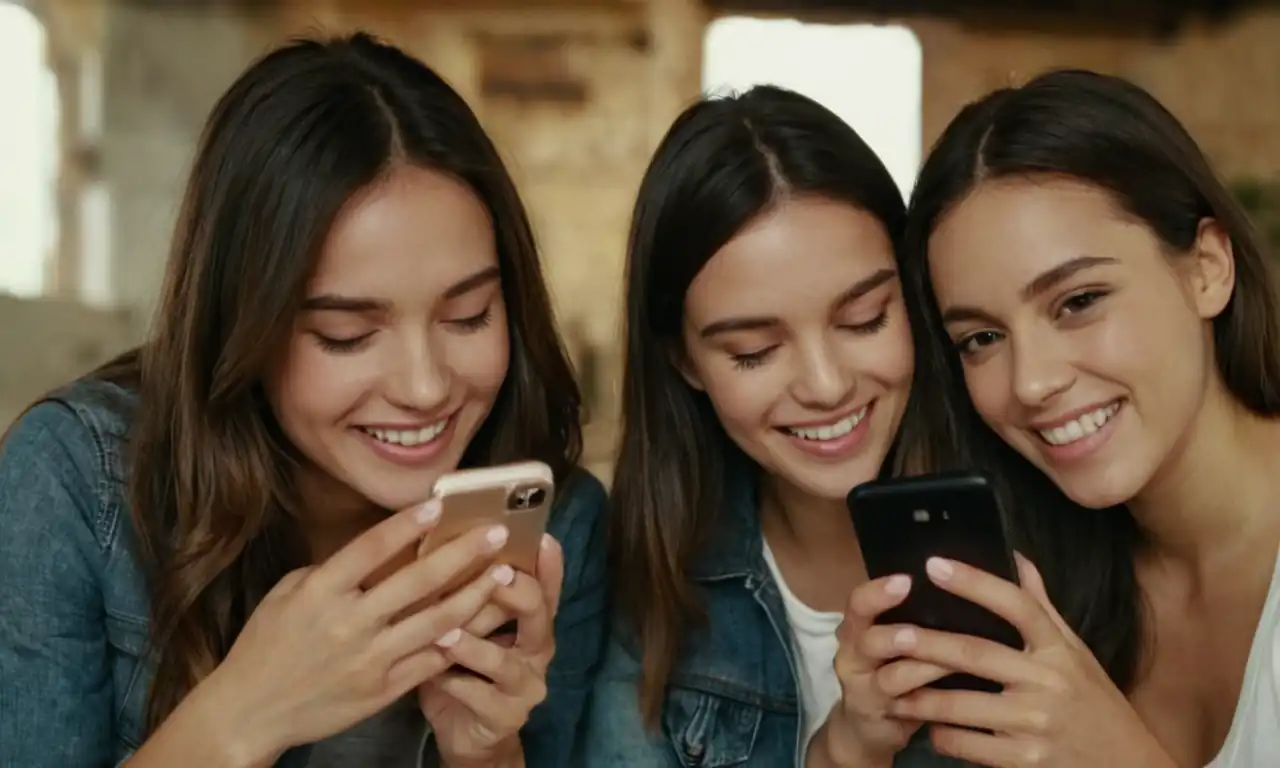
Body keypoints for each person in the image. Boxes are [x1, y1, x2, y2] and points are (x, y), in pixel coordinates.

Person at [0, 32, 608, 768]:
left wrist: (485, 751)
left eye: (468, 316)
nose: (424, 387)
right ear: (242, 323)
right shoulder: (76, 480)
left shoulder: (557, 528)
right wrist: (243, 715)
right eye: (347, 334)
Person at [889, 68, 1280, 767]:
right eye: (981, 339)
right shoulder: (1043, 585)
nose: (1032, 382)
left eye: (1078, 301)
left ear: (1208, 268)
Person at [581, 85, 966, 767]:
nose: (826, 385)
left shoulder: (1036, 537)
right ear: (685, 361)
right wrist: (845, 752)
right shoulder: (650, 578)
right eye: (755, 351)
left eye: (865, 319)